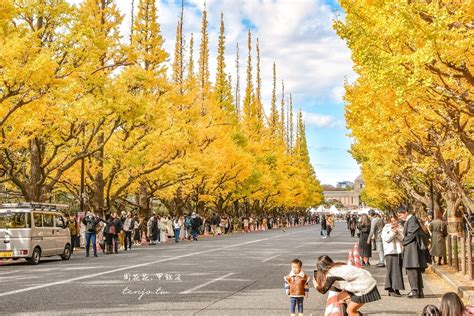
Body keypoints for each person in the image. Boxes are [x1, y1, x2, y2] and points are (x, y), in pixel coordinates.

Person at [313, 255, 381, 316]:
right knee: (340, 298)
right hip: (363, 281)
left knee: (350, 311)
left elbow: (323, 290)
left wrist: (315, 283)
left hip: (364, 287)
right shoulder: (338, 266)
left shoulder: (331, 274)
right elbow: (338, 287)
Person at [398, 206, 428, 299]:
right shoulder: (412, 220)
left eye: (400, 214)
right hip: (413, 248)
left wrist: (403, 241)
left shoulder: (412, 220)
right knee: (415, 270)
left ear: (406, 212)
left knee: (412, 269)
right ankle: (419, 291)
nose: (400, 217)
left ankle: (415, 291)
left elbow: (412, 234)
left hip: (412, 249)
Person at [381, 213, 404, 297]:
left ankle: (397, 288)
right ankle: (390, 288)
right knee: (390, 270)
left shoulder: (400, 227)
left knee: (398, 271)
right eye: (392, 221)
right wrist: (392, 233)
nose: (394, 223)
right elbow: (386, 239)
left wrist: (397, 233)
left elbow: (403, 238)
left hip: (398, 251)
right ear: (389, 222)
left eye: (395, 221)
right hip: (390, 252)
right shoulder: (386, 228)